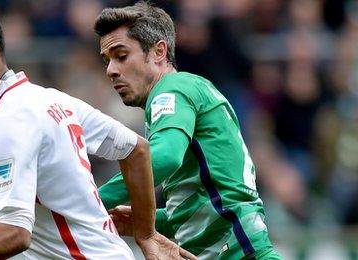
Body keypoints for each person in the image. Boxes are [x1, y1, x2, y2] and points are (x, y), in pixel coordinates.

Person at [0, 2, 195, 259]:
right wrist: (146, 235)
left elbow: (14, 233)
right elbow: (136, 149)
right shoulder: (50, 99)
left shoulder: (5, 121)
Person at [94, 2, 282, 259]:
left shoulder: (172, 90)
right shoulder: (185, 92)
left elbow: (164, 157)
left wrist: (91, 198)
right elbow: (206, 204)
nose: (111, 70)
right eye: (107, 60)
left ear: (159, 51)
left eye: (121, 55)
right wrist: (145, 219)